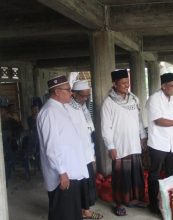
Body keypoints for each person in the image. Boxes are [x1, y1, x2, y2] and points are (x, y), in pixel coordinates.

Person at [37, 75, 89, 220]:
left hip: (70, 170)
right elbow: (51, 146)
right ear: (57, 92)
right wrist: (61, 172)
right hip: (62, 174)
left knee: (71, 211)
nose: (71, 93)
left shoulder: (61, 108)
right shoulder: (49, 112)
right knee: (62, 213)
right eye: (68, 90)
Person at [101, 69, 147, 216]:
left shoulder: (133, 99)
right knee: (121, 176)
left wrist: (142, 135)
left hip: (134, 143)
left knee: (136, 174)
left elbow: (138, 120)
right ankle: (119, 203)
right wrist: (110, 146)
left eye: (127, 82)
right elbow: (105, 127)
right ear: (114, 84)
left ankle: (135, 199)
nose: (126, 85)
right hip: (120, 145)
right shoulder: (108, 103)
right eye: (123, 83)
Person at [146, 72, 173, 214]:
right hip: (158, 143)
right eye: (171, 86)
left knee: (171, 172)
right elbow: (159, 120)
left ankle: (169, 203)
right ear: (163, 86)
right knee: (155, 174)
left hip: (172, 144)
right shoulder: (154, 99)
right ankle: (153, 205)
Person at [69, 80, 103, 219]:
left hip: (87, 151)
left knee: (88, 182)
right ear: (74, 94)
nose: (86, 98)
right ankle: (81, 211)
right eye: (83, 96)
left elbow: (89, 126)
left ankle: (86, 210)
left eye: (88, 96)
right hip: (76, 154)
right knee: (79, 183)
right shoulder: (68, 108)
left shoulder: (82, 106)